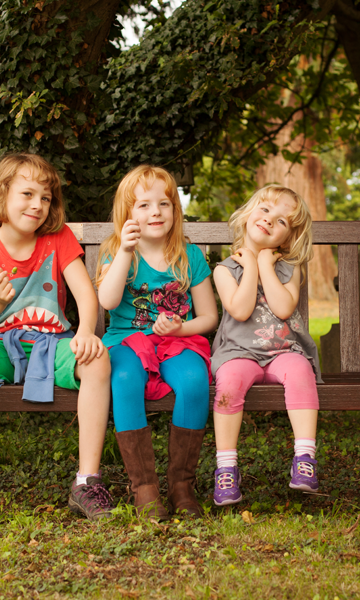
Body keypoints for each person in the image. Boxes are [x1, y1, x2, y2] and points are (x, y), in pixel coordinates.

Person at [0, 153, 112, 529]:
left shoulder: (58, 239)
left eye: (45, 198)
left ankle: (87, 481)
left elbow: (86, 295)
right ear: (2, 195)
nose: (37, 204)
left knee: (97, 359)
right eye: (27, 194)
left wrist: (85, 332)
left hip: (51, 345)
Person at [95, 165, 218, 520]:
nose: (156, 212)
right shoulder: (118, 252)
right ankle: (145, 489)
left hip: (177, 343)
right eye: (144, 205)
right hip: (127, 342)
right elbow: (107, 301)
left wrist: (180, 328)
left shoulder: (188, 256)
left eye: (164, 204)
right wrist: (124, 251)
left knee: (194, 381)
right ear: (128, 213)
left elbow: (209, 317)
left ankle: (181, 486)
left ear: (175, 210)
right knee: (123, 380)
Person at [210, 184, 322, 506]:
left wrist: (263, 265)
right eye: (265, 209)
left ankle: (305, 458)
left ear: (286, 239)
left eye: (282, 221)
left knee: (300, 370)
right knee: (229, 384)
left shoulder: (289, 269)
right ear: (249, 214)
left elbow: (283, 308)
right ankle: (226, 467)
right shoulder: (224, 270)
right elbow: (241, 309)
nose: (270, 219)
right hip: (238, 353)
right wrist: (249, 268)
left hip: (282, 351)